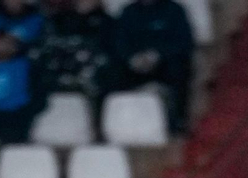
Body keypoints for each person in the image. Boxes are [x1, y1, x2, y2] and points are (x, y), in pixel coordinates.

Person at [112, 0, 192, 134]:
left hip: (165, 64)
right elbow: (120, 42)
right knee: (112, 72)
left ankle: (175, 123)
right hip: (134, 66)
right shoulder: (128, 12)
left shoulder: (174, 10)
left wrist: (156, 55)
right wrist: (132, 59)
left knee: (178, 68)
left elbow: (183, 43)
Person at [35, 0, 114, 100]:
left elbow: (106, 52)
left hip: (95, 83)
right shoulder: (61, 19)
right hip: (61, 80)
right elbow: (51, 47)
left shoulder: (106, 22)